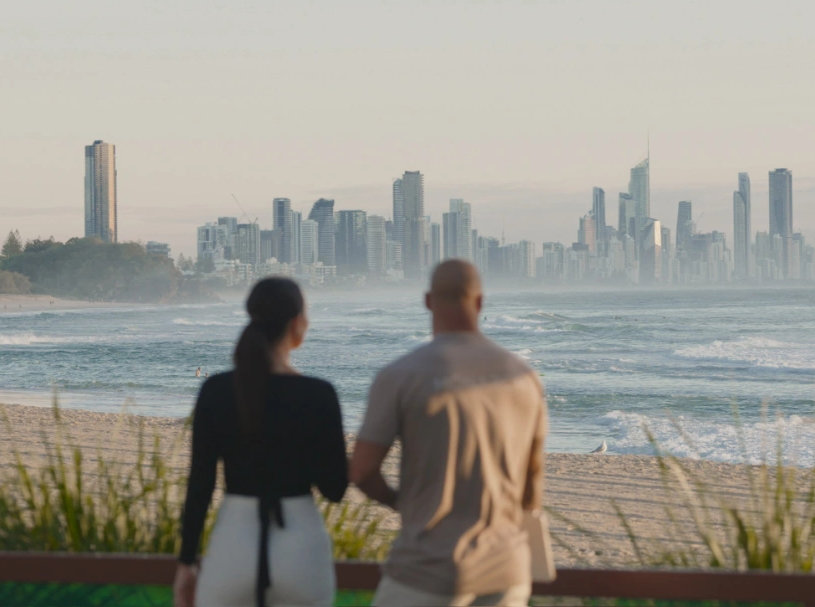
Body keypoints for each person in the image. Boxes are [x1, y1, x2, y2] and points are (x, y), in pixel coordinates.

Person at [351, 260, 547, 607]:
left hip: (428, 568)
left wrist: (399, 503)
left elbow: (363, 471)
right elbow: (531, 482)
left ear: (428, 301)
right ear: (480, 302)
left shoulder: (402, 374)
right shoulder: (522, 376)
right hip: (507, 571)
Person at [174, 278, 348, 607]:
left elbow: (200, 484)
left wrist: (186, 563)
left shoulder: (216, 391)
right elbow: (335, 489)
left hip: (234, 547)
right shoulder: (319, 394)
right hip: (301, 550)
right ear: (297, 323)